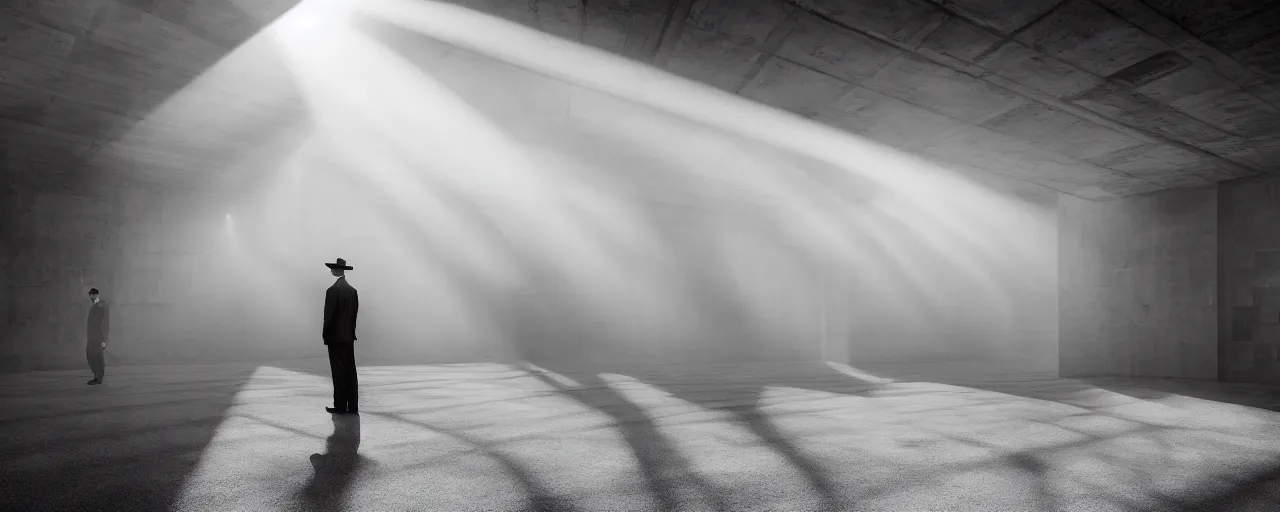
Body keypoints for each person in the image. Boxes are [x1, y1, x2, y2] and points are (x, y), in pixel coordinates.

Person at [323, 258, 360, 414]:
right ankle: (353, 406)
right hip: (348, 337)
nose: (331, 270)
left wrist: (325, 334)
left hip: (335, 338)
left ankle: (340, 406)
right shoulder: (352, 291)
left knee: (338, 372)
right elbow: (354, 316)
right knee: (350, 371)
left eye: (332, 268)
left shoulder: (332, 291)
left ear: (336, 270)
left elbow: (328, 317)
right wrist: (351, 332)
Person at [86, 288, 109, 385]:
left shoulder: (101, 305)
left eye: (94, 295)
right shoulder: (94, 306)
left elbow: (105, 323)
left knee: (98, 357)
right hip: (92, 337)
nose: (92, 297)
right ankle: (96, 376)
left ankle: (98, 378)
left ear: (98, 295)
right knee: (90, 356)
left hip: (99, 336)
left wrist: (104, 339)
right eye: (91, 295)